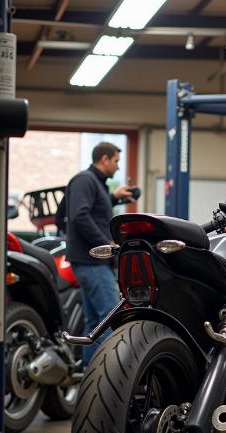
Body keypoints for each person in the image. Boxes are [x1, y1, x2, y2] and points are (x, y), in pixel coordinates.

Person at [65, 141, 136, 367]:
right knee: (108, 319)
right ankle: (107, 377)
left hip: (91, 262)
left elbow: (93, 209)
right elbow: (80, 215)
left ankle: (89, 374)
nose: (117, 167)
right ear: (104, 159)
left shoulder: (95, 183)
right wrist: (106, 243)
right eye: (115, 161)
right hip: (92, 261)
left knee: (95, 323)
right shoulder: (85, 180)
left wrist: (113, 197)